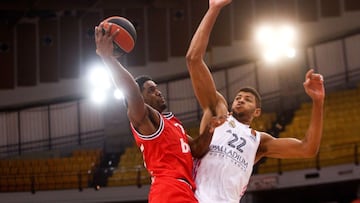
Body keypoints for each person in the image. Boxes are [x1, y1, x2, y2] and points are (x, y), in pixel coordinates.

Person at [186, 0, 325, 202]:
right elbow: (193, 59)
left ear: (257, 112)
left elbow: (308, 149)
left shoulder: (260, 141)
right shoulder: (219, 112)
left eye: (248, 99)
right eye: (238, 97)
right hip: (194, 198)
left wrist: (318, 102)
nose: (241, 100)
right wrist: (213, 9)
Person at [94, 22, 225, 203]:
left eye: (156, 88)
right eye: (151, 90)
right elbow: (131, 91)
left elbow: (196, 149)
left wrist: (211, 127)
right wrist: (108, 59)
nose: (158, 92)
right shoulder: (143, 118)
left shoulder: (173, 124)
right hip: (168, 189)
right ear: (141, 98)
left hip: (186, 190)